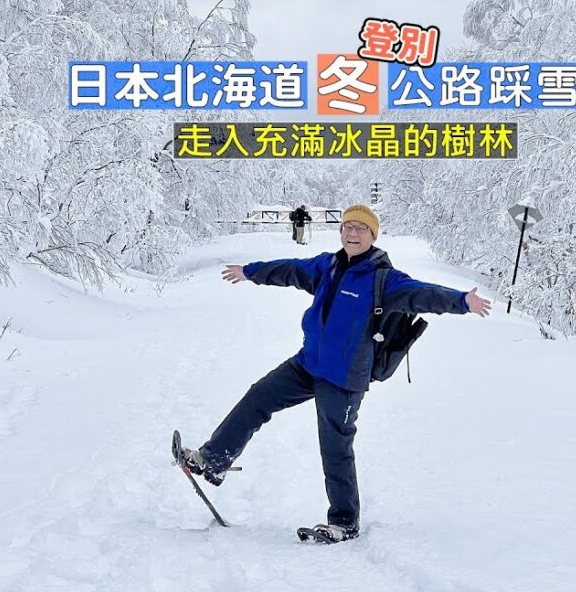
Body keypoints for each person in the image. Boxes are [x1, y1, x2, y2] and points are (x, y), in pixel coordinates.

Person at [178, 204, 492, 543]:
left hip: (343, 379)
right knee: (259, 396)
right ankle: (213, 460)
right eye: (347, 227)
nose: (352, 233)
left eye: (360, 228)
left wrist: (461, 301)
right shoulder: (327, 266)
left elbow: (422, 294)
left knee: (334, 446)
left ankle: (344, 522)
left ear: (373, 236)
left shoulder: (384, 280)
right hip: (308, 364)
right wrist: (251, 271)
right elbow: (290, 269)